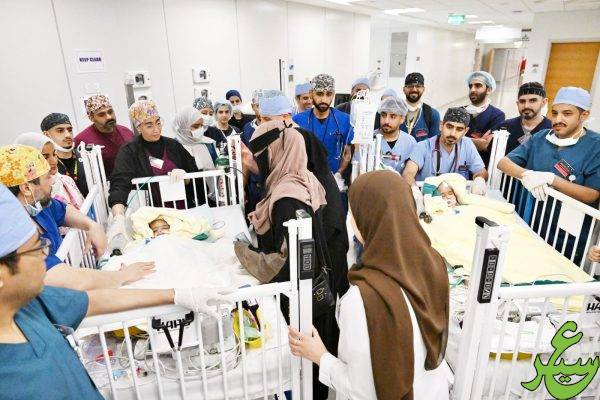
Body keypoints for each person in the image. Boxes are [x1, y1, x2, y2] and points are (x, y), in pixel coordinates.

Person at [0, 183, 231, 400]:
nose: (45, 256)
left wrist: (175, 294)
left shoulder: (30, 304)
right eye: (37, 249)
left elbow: (92, 301)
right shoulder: (9, 377)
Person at [289, 170, 450, 400]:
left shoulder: (363, 300)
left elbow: (363, 390)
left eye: (353, 212)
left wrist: (319, 356)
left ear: (366, 219)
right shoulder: (434, 265)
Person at [235, 118, 343, 399]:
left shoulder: (286, 198)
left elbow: (289, 261)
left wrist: (245, 253)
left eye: (259, 155)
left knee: (305, 373)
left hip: (302, 301)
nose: (255, 161)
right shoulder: (303, 178)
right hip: (317, 290)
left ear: (274, 153)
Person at [0, 145, 153, 291]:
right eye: (47, 177)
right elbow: (72, 280)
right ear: (27, 188)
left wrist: (92, 225)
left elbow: (63, 210)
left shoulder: (39, 206)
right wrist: (122, 276)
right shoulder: (14, 236)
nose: (53, 181)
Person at [109, 100, 199, 239]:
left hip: (181, 211)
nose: (156, 129)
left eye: (158, 122)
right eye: (149, 125)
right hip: (153, 218)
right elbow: (119, 184)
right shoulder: (130, 151)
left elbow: (195, 176)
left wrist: (185, 176)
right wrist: (119, 217)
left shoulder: (173, 145)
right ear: (139, 127)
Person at [497, 86, 600, 204]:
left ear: (584, 115)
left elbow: (591, 194)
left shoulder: (595, 145)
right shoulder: (541, 137)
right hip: (525, 208)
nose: (557, 120)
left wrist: (551, 179)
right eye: (554, 113)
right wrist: (527, 174)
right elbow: (503, 163)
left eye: (567, 114)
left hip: (564, 214)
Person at [403, 107, 488, 195]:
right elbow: (408, 173)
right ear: (441, 125)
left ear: (465, 131)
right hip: (428, 197)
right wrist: (414, 190)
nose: (453, 133)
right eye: (449, 127)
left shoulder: (467, 145)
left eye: (459, 129)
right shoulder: (423, 146)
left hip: (456, 198)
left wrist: (479, 179)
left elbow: (481, 171)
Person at [293, 74, 354, 188]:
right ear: (311, 93)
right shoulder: (298, 121)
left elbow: (347, 152)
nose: (324, 99)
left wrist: (339, 173)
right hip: (305, 182)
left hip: (333, 179)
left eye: (328, 94)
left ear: (333, 94)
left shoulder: (344, 120)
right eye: (319, 94)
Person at [14, 132, 85, 210]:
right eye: (45, 157)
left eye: (54, 154)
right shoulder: (30, 194)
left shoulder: (66, 180)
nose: (54, 161)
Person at [74, 94, 135, 177]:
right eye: (101, 115)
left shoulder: (127, 133)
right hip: (105, 184)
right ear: (91, 118)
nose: (109, 117)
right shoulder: (81, 140)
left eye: (110, 112)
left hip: (134, 182)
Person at [463, 71, 506, 167]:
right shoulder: (459, 111)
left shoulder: (497, 115)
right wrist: (478, 142)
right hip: (458, 163)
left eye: (478, 86)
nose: (472, 90)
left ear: (489, 90)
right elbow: (446, 140)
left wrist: (459, 139)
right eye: (470, 86)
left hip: (480, 165)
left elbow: (486, 145)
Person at [41, 113, 88, 197]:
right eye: (60, 130)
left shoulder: (87, 157)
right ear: (47, 135)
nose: (68, 135)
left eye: (69, 130)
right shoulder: (44, 165)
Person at [497, 82, 552, 154]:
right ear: (517, 103)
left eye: (532, 101)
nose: (526, 106)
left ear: (544, 102)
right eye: (522, 101)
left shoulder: (551, 130)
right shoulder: (504, 127)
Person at [375, 97, 416, 174]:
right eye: (383, 115)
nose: (386, 121)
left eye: (392, 116)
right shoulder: (369, 139)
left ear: (402, 119)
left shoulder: (410, 142)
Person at [173, 106, 218, 171]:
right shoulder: (174, 146)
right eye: (196, 126)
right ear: (183, 127)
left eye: (202, 125)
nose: (200, 129)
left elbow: (216, 165)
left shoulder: (208, 143)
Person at [401, 72, 441, 142]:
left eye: (418, 86)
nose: (414, 89)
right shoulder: (395, 111)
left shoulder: (432, 114)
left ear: (423, 89)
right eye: (410, 86)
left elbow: (434, 144)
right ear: (404, 89)